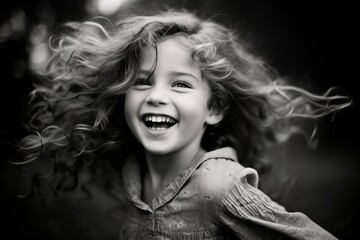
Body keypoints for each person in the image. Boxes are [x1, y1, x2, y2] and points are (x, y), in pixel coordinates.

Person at [15, 9, 351, 239]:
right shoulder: (134, 173)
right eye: (143, 81)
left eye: (180, 84)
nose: (156, 96)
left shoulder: (219, 186)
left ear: (214, 108)